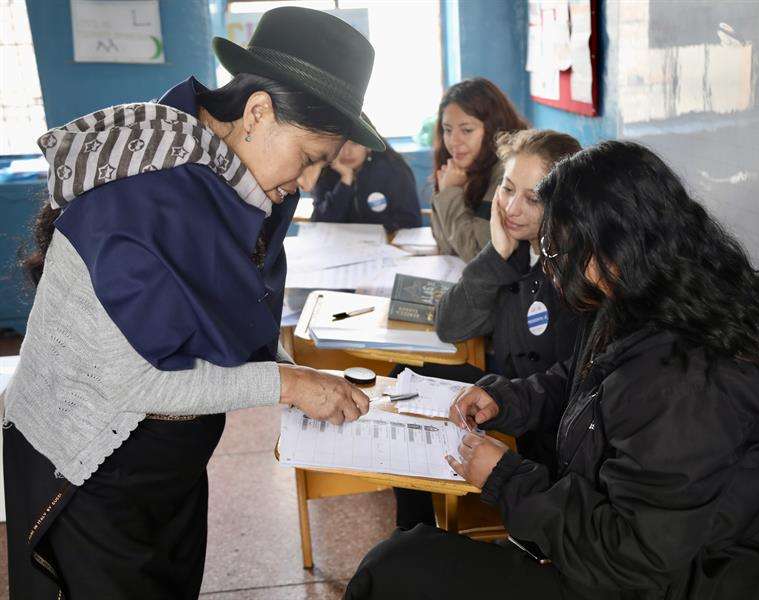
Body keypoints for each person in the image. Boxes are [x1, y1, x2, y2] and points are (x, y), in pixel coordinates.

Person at [2, 8, 381, 599]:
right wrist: (287, 384)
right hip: (88, 465)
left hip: (167, 458)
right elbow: (137, 385)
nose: (307, 183)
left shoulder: (240, 180)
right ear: (257, 112)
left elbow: (237, 313)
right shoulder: (143, 197)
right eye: (309, 158)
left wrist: (290, 368)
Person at [346, 141, 759, 600]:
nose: (555, 265)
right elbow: (582, 381)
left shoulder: (689, 382)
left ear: (613, 248)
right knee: (401, 561)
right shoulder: (642, 302)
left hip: (657, 585)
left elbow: (633, 559)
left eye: (562, 249)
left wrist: (507, 478)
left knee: (393, 571)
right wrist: (507, 399)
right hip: (618, 557)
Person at [392, 129, 583, 530]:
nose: (512, 208)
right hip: (508, 393)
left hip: (542, 419)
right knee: (405, 380)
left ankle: (425, 536)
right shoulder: (515, 251)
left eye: (532, 199)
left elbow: (566, 388)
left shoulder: (576, 273)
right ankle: (415, 526)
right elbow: (451, 324)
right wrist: (495, 253)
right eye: (507, 189)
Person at [430, 78, 528, 261]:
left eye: (466, 130)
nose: (453, 141)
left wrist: (451, 193)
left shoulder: (508, 172)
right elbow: (444, 243)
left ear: (493, 129)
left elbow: (479, 255)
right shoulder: (459, 166)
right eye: (447, 130)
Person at [311, 133, 422, 232]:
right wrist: (345, 181)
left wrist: (371, 232)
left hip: (384, 247)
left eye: (355, 143)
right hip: (339, 249)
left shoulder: (394, 170)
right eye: (340, 145)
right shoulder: (325, 172)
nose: (347, 152)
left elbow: (412, 221)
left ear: (368, 146)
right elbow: (320, 223)